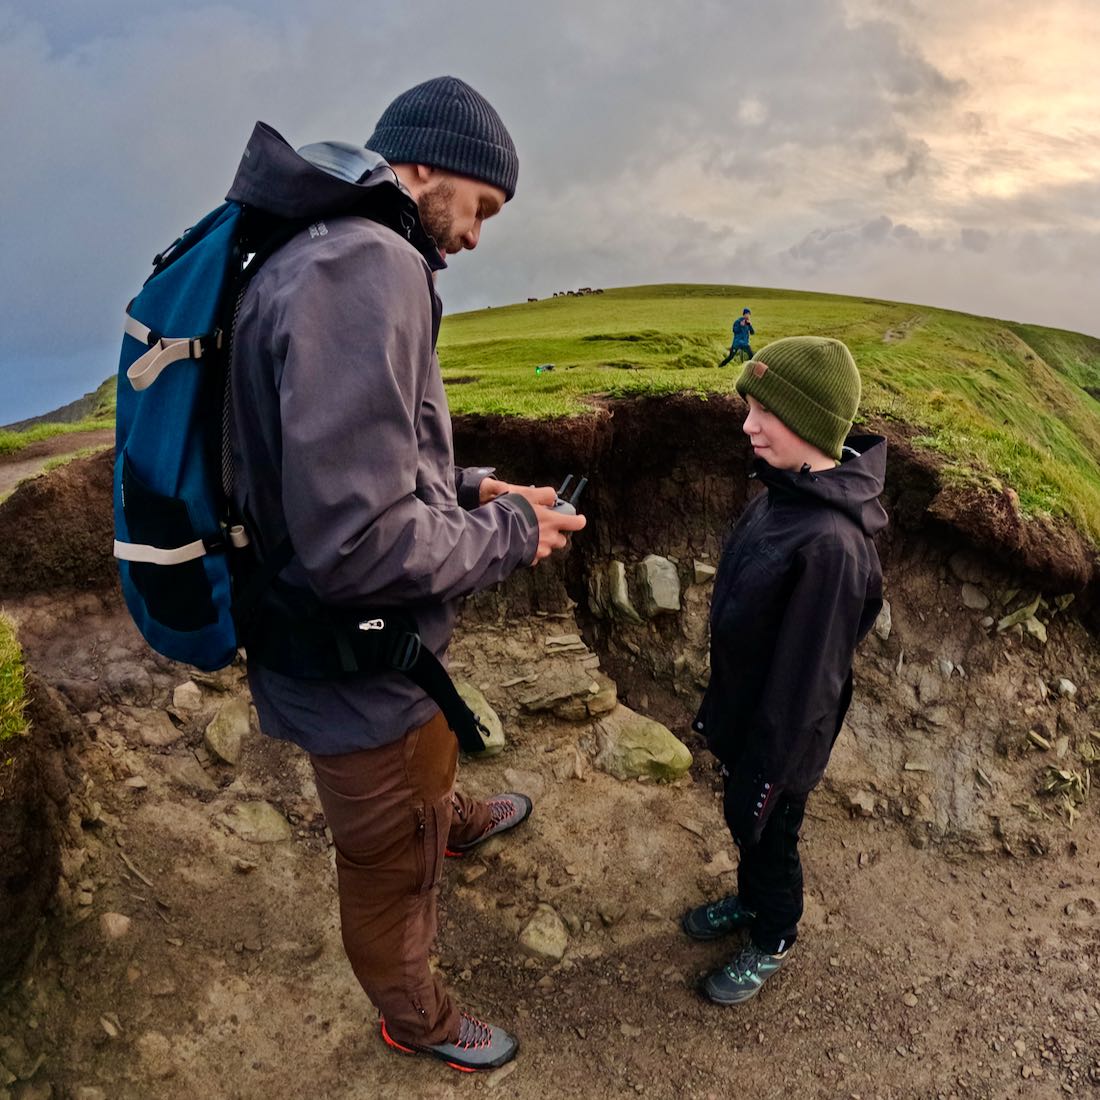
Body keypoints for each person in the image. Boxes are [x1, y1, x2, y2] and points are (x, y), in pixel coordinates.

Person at [227, 77, 585, 1072]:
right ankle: (413, 1014)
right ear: (426, 162)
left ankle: (449, 818)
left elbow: (342, 462)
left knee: (423, 749)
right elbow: (358, 547)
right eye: (483, 206)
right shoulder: (364, 266)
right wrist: (510, 532)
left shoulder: (330, 247)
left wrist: (471, 487)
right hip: (346, 663)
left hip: (375, 658)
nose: (475, 237)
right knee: (386, 864)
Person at [683, 336, 886, 1005]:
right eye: (748, 407)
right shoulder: (779, 496)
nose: (748, 425)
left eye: (764, 411)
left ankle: (773, 935)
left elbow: (806, 689)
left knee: (772, 836)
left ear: (809, 421)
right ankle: (749, 902)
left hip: (782, 743)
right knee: (749, 830)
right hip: (750, 720)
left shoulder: (831, 547)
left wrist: (769, 776)